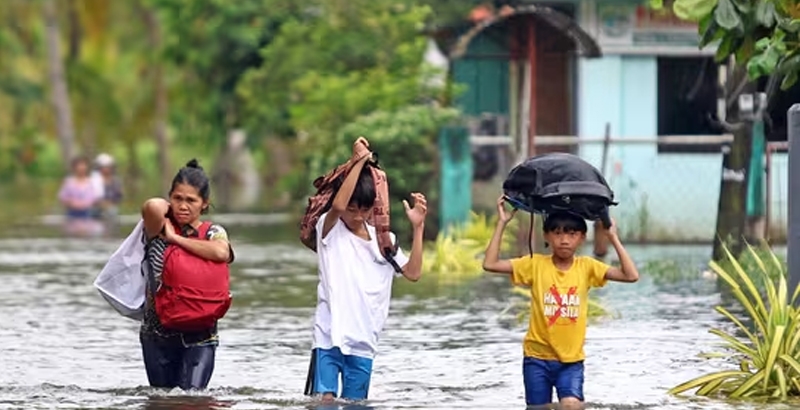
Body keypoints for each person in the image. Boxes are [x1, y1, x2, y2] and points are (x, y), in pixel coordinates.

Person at [482, 196, 639, 408]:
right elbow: (490, 264)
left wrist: (612, 237)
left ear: (582, 238)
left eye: (572, 234)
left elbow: (631, 275)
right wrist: (502, 223)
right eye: (557, 233)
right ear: (547, 235)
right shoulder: (535, 264)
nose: (564, 240)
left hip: (571, 361)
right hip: (536, 359)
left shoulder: (587, 267)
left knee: (572, 405)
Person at [306, 138, 427, 404]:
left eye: (364, 208)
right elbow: (337, 207)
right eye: (352, 208)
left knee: (355, 404)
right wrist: (359, 161)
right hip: (328, 335)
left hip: (364, 340)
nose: (357, 215)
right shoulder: (329, 230)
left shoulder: (384, 240)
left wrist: (418, 228)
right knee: (324, 400)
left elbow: (413, 272)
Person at [139, 159, 234, 390]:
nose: (183, 206)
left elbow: (222, 253)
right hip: (158, 332)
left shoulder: (213, 232)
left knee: (193, 399)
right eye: (177, 198)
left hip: (200, 334)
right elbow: (152, 205)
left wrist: (176, 240)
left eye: (191, 200)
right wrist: (168, 217)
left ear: (204, 204)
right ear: (169, 198)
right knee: (162, 401)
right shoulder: (157, 228)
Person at [92, 153, 123, 220]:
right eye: (104, 167)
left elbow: (118, 196)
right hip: (95, 209)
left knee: (112, 212)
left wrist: (109, 203)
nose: (106, 169)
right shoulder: (94, 180)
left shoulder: (116, 181)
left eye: (108, 167)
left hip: (111, 208)